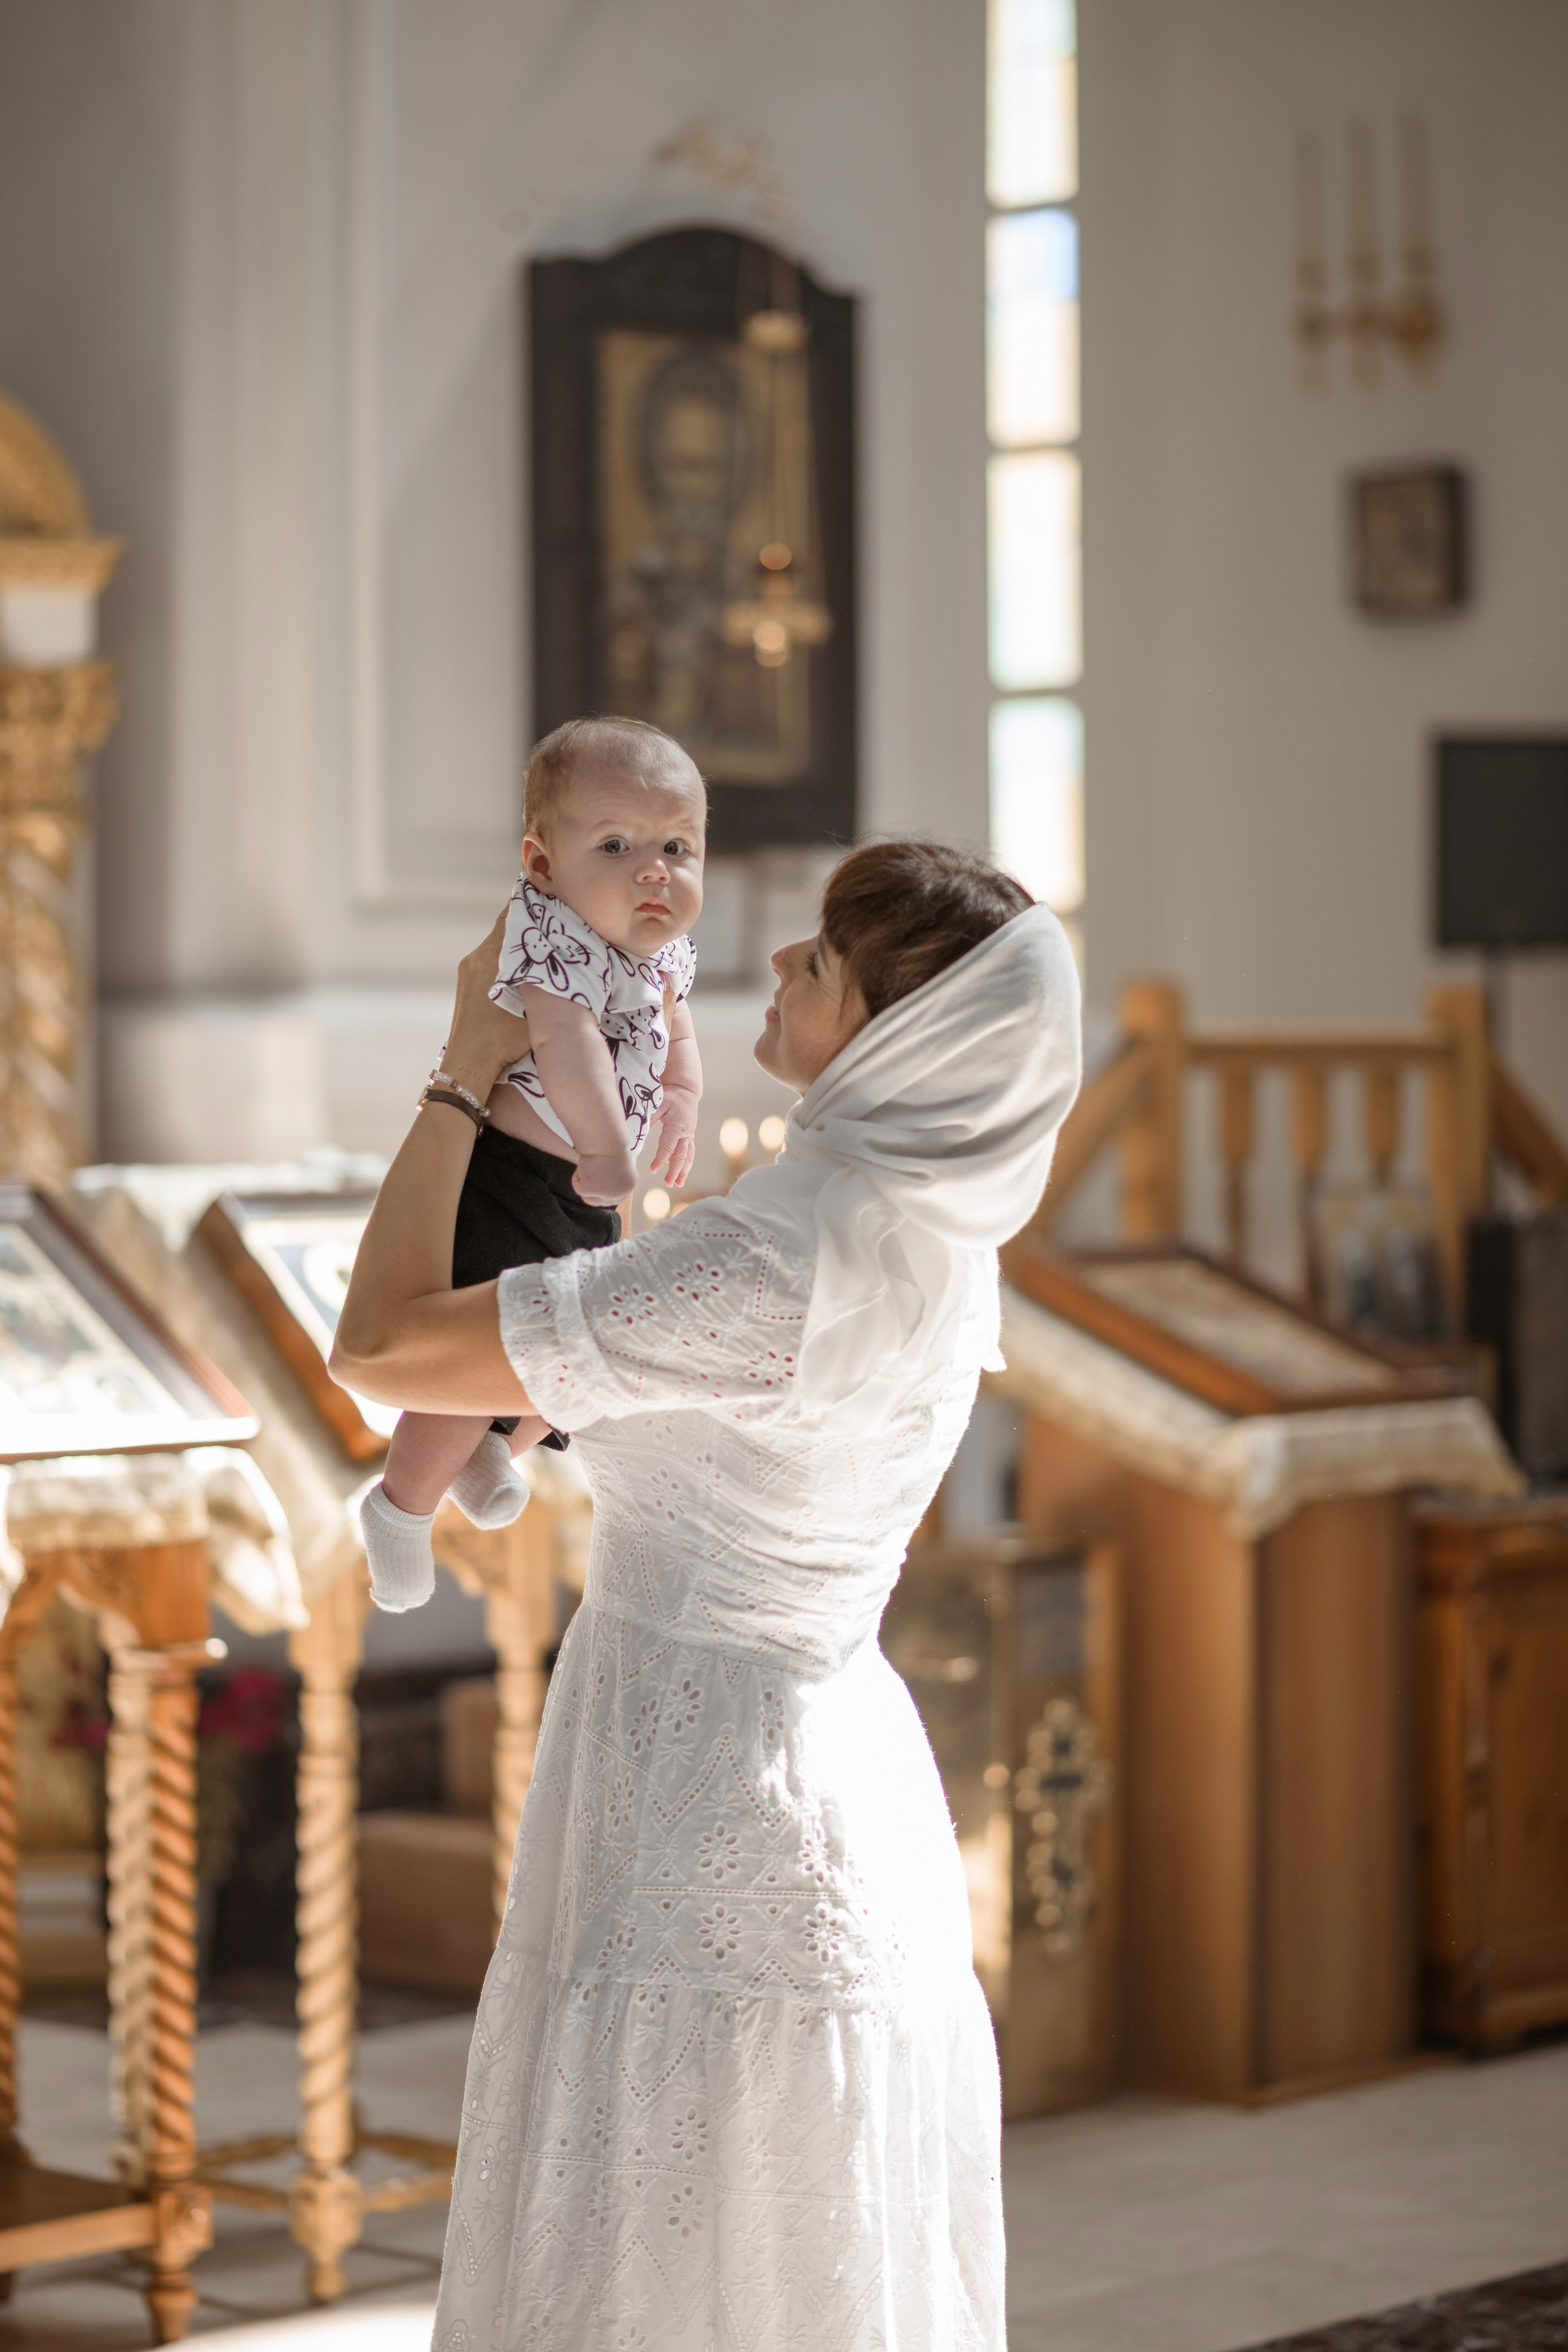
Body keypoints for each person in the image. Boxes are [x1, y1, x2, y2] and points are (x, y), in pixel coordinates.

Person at [330, 834, 1082, 2351]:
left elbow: (382, 1346)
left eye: (824, 960)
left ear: (895, 1035)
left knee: (666, 2270)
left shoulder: (767, 1263)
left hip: (706, 1808)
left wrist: (463, 1071)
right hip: (827, 1763)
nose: (785, 966)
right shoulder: (918, 1234)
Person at [358, 715, 705, 1610]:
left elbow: (679, 1034)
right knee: (494, 1348)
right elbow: (566, 1045)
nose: (654, 870)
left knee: (577, 1357)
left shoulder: (661, 952)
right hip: (522, 1174)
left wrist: (681, 1097)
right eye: (618, 845)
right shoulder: (553, 939)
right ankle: (399, 1509)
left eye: (678, 846)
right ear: (544, 865)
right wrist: (605, 1148)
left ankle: (486, 1451)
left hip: (585, 1187)